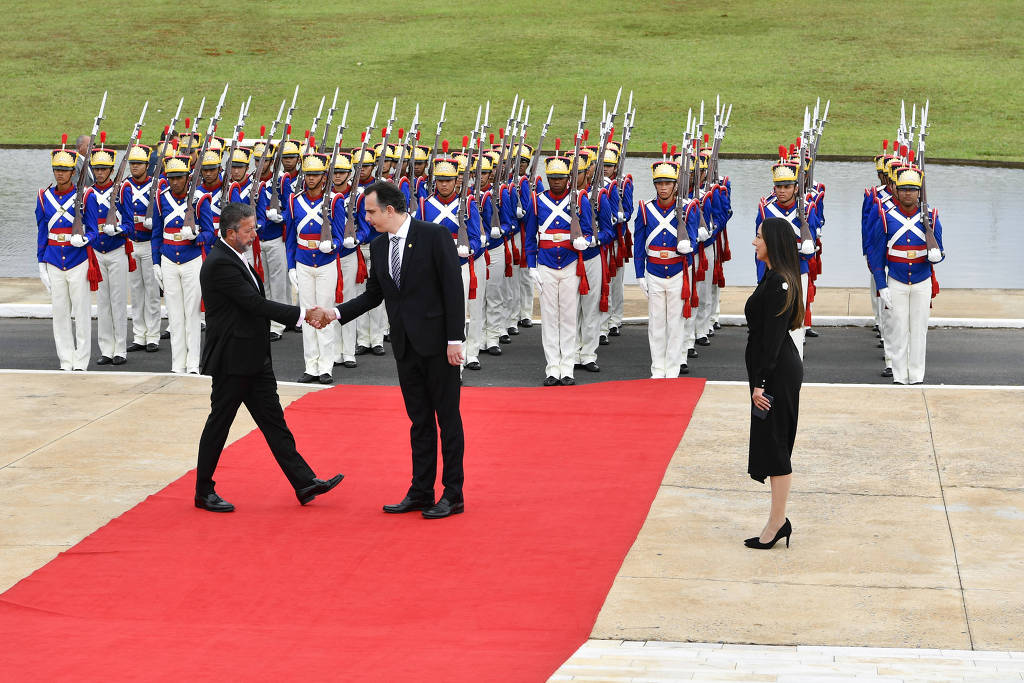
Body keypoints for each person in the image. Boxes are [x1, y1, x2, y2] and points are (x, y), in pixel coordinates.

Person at [312, 181, 467, 519]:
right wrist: (334, 312)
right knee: (419, 421)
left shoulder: (434, 235)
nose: (366, 218)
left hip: (440, 346)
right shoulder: (379, 246)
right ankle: (421, 490)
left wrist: (455, 340)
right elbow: (373, 295)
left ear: (390, 210)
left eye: (370, 212)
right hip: (406, 347)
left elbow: (453, 290)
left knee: (448, 421)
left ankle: (453, 494)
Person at [195, 202, 343, 512]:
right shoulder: (221, 263)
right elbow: (254, 304)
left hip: (253, 357)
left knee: (275, 423)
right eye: (248, 230)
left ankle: (303, 482)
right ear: (231, 232)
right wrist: (304, 314)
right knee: (219, 424)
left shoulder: (237, 256)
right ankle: (203, 491)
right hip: (233, 360)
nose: (253, 235)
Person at [744, 216, 804, 550]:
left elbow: (773, 338)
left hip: (777, 374)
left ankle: (777, 523)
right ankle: (776, 521)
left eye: (758, 237)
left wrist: (761, 383)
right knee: (771, 442)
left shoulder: (780, 282)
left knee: (777, 444)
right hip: (771, 371)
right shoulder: (773, 276)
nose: (755, 243)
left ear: (773, 243)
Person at [867, 165, 944, 385]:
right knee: (897, 330)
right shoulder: (886, 216)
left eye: (912, 189)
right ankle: (900, 377)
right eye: (904, 189)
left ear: (919, 191)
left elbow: (940, 250)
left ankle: (917, 376)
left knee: (918, 331)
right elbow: (877, 256)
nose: (908, 193)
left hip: (922, 281)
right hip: (896, 281)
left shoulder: (931, 216)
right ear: (897, 191)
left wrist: (937, 254)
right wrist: (882, 285)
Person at [523, 155, 594, 386]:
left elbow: (589, 230)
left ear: (568, 179)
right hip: (545, 263)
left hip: (571, 262)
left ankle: (568, 367)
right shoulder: (537, 201)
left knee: (569, 317)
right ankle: (553, 367)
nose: (556, 182)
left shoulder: (580, 199)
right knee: (550, 318)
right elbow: (531, 236)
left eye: (560, 178)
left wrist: (586, 240)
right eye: (552, 178)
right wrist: (531, 265)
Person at [633, 160, 698, 378]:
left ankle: (672, 368)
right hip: (654, 271)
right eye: (659, 183)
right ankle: (657, 368)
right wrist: (639, 273)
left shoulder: (688, 208)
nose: (663, 187)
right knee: (656, 323)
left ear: (675, 185)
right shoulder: (645, 209)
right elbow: (639, 243)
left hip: (678, 270)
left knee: (676, 323)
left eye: (667, 183)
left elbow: (694, 238)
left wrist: (689, 246)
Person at [152, 154, 215, 374]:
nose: (175, 182)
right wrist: (155, 262)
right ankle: (177, 364)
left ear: (188, 177)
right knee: (175, 315)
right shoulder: (161, 198)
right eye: (171, 178)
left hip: (191, 260)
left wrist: (196, 234)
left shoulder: (200, 199)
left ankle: (192, 364)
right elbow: (157, 234)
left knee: (192, 314)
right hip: (168, 260)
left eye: (179, 177)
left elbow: (211, 233)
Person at [284, 152, 343, 384]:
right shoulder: (294, 201)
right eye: (308, 174)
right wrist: (291, 266)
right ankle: (311, 365)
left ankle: (326, 366)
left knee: (326, 313)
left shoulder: (335, 201)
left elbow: (340, 235)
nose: (311, 179)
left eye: (316, 175)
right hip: (303, 261)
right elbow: (289, 237)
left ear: (323, 176)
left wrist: (333, 245)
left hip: (326, 262)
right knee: (306, 314)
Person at [36, 144, 95, 371]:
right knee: (59, 313)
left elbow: (93, 229)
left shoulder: (85, 196)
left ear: (73, 172)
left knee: (81, 313)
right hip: (53, 259)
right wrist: (41, 261)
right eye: (56, 169)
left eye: (64, 169)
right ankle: (65, 359)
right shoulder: (44, 197)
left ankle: (81, 361)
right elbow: (42, 232)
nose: (59, 173)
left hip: (77, 259)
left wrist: (85, 239)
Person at [83, 145, 129, 365]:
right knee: (102, 303)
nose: (100, 173)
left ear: (111, 170)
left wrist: (119, 229)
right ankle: (106, 348)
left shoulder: (121, 192)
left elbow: (130, 223)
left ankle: (120, 348)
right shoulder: (88, 193)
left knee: (118, 302)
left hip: (116, 248)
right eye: (97, 169)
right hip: (97, 252)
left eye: (104, 169)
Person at [120, 143, 163, 353]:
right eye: (132, 163)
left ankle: (153, 335)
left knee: (152, 292)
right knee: (136, 293)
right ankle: (139, 335)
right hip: (131, 244)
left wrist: (155, 222)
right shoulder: (124, 186)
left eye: (139, 164)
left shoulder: (158, 185)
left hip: (148, 244)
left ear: (147, 165)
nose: (134, 167)